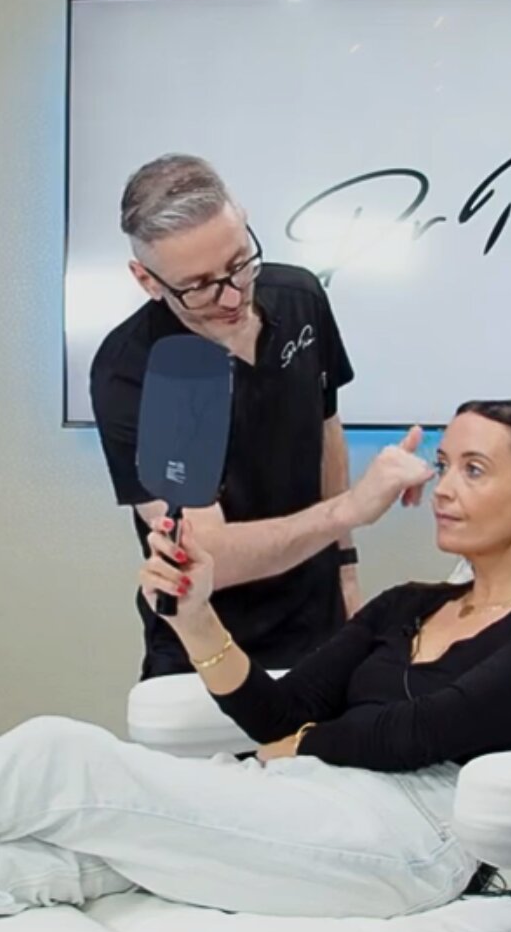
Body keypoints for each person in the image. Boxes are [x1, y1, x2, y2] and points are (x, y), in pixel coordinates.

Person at [0, 400, 511, 932]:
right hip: (304, 795)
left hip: (406, 841)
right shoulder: (410, 604)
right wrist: (196, 615)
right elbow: (279, 713)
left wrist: (304, 745)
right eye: (444, 465)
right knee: (60, 854)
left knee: (59, 756)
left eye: (474, 470)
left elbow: (424, 733)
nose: (442, 487)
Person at [91, 153, 363, 681]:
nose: (233, 295)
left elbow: (326, 431)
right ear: (147, 280)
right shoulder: (133, 372)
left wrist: (346, 571)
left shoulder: (301, 298)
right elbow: (211, 556)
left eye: (239, 263)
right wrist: (351, 511)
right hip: (203, 648)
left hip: (319, 630)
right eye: (198, 286)